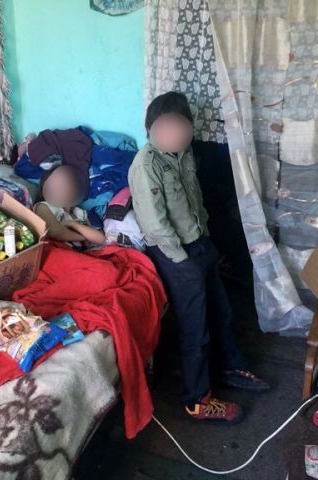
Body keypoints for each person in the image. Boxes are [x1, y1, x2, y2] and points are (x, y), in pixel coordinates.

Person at [128, 91, 269, 425]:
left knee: (222, 311)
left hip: (198, 243)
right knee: (196, 328)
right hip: (174, 253)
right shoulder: (146, 166)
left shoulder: (185, 153)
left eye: (182, 126)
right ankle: (197, 399)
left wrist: (205, 240)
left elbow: (195, 200)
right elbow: (155, 224)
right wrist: (183, 261)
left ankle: (230, 367)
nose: (176, 133)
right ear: (152, 129)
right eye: (167, 127)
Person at [34, 164, 106, 246]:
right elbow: (55, 232)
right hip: (58, 249)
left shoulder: (81, 213)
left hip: (83, 251)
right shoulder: (43, 206)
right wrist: (84, 237)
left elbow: (102, 239)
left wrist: (73, 224)